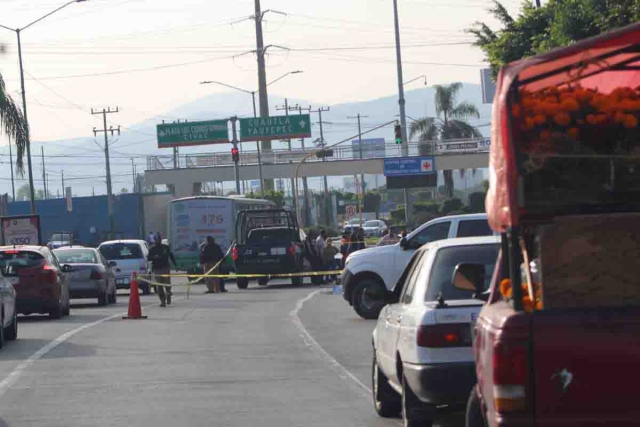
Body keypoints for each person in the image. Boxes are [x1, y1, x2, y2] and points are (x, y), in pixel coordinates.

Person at [147, 234, 177, 307]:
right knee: (159, 287)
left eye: (159, 239)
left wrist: (175, 265)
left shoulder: (165, 247)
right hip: (157, 269)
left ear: (160, 240)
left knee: (167, 284)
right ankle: (162, 301)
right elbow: (148, 258)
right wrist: (154, 257)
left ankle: (168, 295)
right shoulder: (152, 249)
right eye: (156, 239)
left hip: (165, 268)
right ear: (154, 240)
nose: (158, 241)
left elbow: (171, 255)